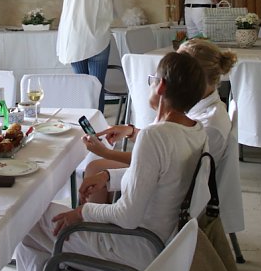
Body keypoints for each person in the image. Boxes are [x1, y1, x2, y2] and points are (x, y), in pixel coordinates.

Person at [15, 52, 207, 271]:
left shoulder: (155, 136)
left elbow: (127, 216)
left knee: (27, 220)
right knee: (32, 241)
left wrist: (83, 212)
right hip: (160, 242)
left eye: (152, 79)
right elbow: (159, 177)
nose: (151, 83)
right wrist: (108, 177)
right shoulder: (195, 130)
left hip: (133, 248)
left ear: (161, 86)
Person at [80, 39, 238, 220]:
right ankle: (95, 225)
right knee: (98, 168)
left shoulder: (209, 125)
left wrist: (106, 153)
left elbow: (164, 160)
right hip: (173, 178)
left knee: (95, 166)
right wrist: (131, 131)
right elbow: (170, 147)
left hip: (174, 196)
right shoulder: (202, 111)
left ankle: (90, 227)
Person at [56, 0, 121, 110]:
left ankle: (83, 123)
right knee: (97, 86)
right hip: (98, 40)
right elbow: (117, 12)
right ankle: (97, 122)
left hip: (75, 38)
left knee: (81, 86)